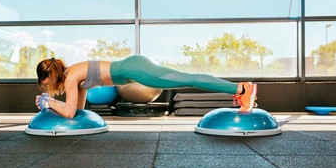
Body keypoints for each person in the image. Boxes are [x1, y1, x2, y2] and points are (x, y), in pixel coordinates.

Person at [35, 55, 257, 118]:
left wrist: (50, 102)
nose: (46, 88)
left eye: (45, 85)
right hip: (133, 70)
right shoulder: (74, 76)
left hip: (135, 70)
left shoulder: (72, 76)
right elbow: (80, 112)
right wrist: (53, 104)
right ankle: (240, 89)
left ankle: (242, 89)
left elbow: (70, 112)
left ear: (50, 76)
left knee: (187, 79)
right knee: (186, 78)